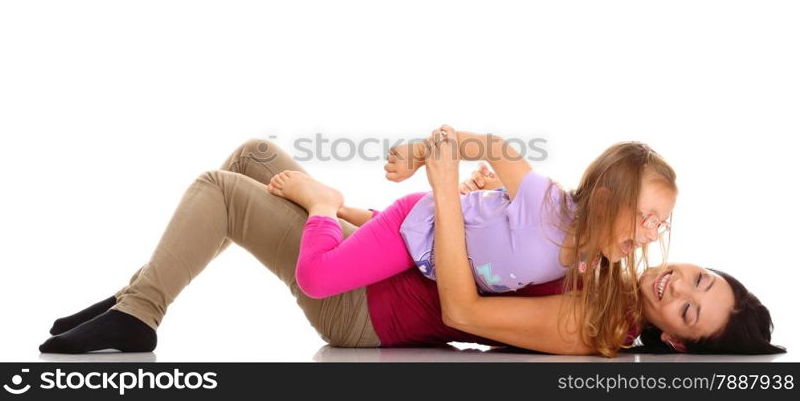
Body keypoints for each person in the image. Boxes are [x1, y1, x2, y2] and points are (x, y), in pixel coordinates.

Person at [38, 133, 782, 356]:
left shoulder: (592, 323)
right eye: (698, 280)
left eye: (687, 313)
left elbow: (459, 306)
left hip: (368, 314)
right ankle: (137, 296)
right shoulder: (602, 252)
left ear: (677, 347)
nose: (674, 288)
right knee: (259, 161)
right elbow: (457, 235)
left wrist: (445, 184)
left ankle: (137, 318)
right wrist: (396, 211)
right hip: (396, 261)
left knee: (218, 190)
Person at [267, 128, 677, 356]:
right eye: (647, 218)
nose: (650, 235)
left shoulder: (589, 263)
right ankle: (323, 203)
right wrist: (419, 153)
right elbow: (494, 146)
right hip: (418, 226)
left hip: (429, 259)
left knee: (357, 238)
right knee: (317, 278)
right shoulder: (546, 201)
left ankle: (345, 214)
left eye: (660, 224)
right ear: (605, 203)